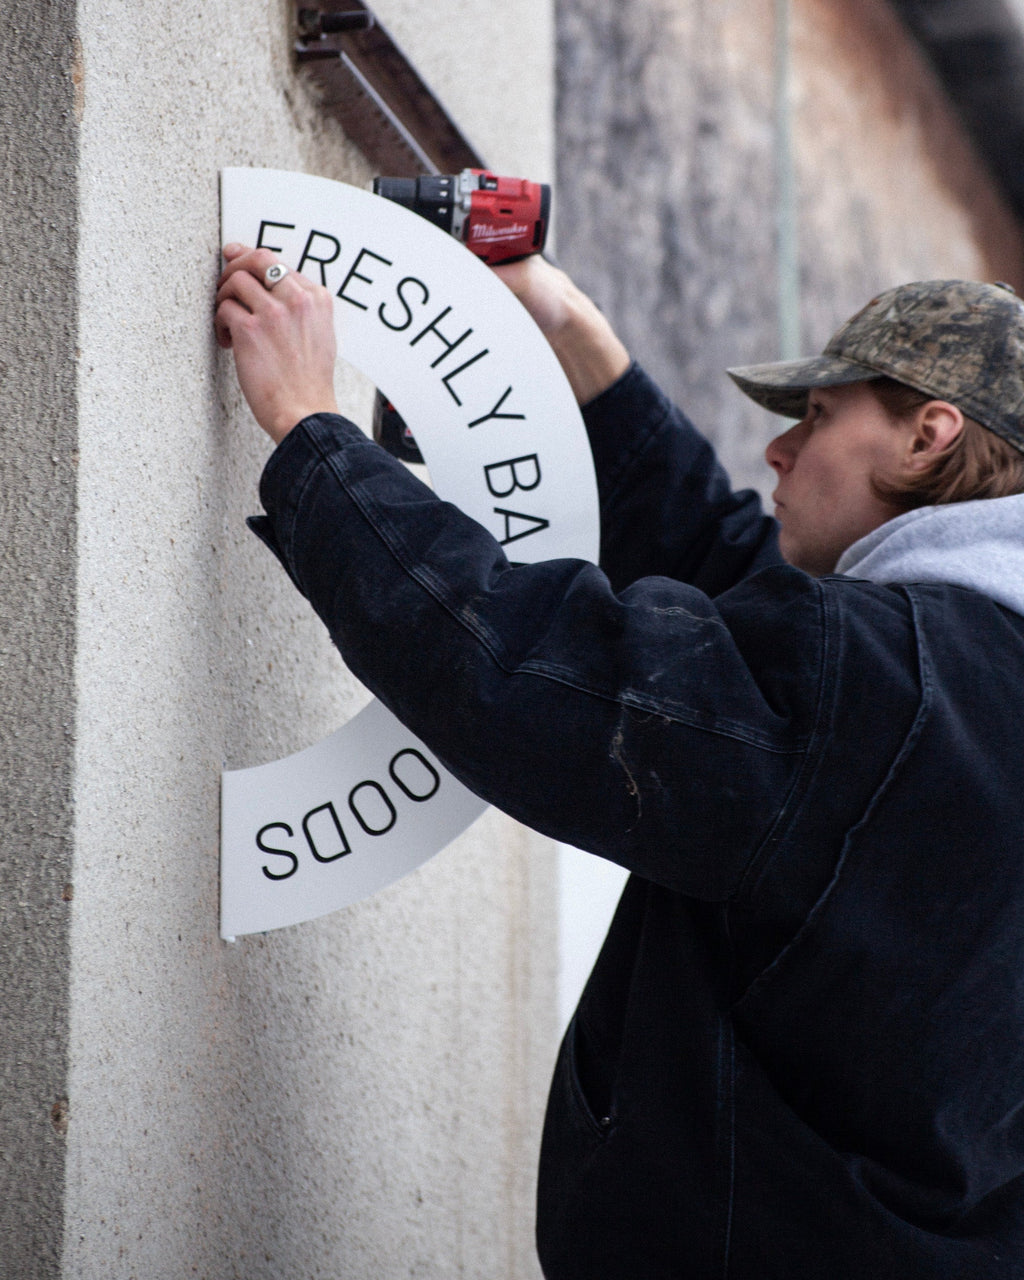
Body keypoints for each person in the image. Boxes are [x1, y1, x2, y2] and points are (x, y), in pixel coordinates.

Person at [216, 243, 1024, 1278]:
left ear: (928, 434)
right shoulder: (940, 682)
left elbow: (527, 667)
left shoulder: (862, 685)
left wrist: (310, 432)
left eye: (818, 415)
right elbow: (739, 608)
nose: (778, 451)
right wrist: (577, 344)